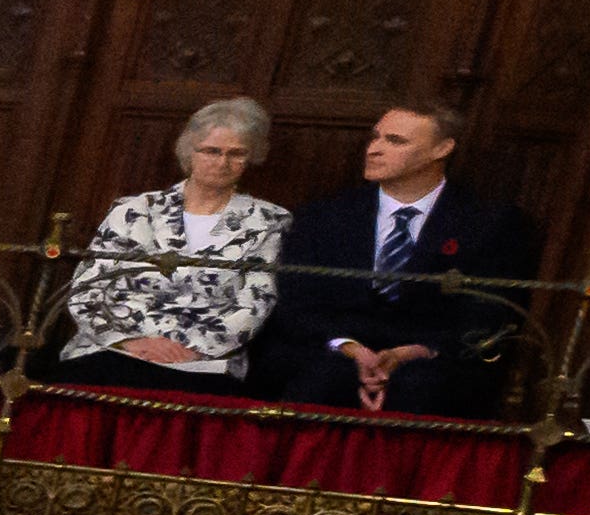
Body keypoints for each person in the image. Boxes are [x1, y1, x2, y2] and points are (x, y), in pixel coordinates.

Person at [249, 99, 541, 416]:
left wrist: (410, 352)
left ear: (442, 148)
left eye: (395, 141)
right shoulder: (325, 215)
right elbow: (296, 303)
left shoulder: (488, 223)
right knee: (317, 380)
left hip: (431, 361)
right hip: (332, 351)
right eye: (375, 137)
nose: (374, 149)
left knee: (427, 391)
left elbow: (491, 313)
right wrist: (351, 348)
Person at [56, 97, 289, 386]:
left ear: (252, 157)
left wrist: (187, 349)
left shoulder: (268, 221)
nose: (222, 162)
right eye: (211, 151)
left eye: (236, 153)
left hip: (202, 358)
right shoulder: (134, 211)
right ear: (189, 152)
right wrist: (131, 341)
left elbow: (257, 301)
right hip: (116, 348)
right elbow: (88, 289)